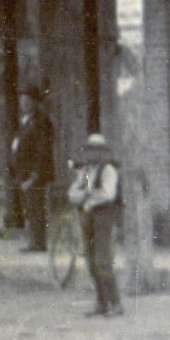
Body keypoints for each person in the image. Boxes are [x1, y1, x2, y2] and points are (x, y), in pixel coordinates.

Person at [68, 132, 124, 317]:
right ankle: (101, 302)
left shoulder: (108, 170)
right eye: (88, 150)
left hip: (104, 217)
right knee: (91, 262)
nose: (89, 154)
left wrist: (85, 195)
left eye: (94, 151)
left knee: (103, 261)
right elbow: (73, 193)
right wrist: (85, 195)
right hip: (88, 216)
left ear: (102, 153)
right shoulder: (85, 172)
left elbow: (108, 194)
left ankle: (115, 303)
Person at [9, 92, 55, 252]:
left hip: (34, 172)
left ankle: (38, 242)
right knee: (30, 206)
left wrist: (35, 175)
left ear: (35, 102)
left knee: (36, 206)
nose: (24, 104)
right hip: (23, 172)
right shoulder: (26, 121)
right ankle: (34, 240)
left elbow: (42, 150)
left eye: (28, 101)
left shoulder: (40, 121)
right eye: (22, 101)